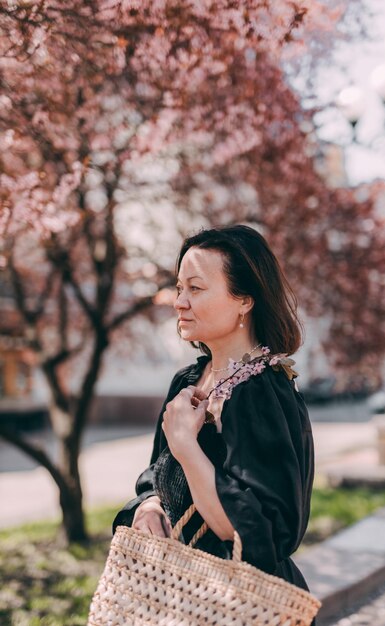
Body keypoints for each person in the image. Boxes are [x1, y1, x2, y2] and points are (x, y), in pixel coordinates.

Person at [113, 224, 316, 620]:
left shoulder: (262, 391)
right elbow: (156, 475)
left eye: (196, 288)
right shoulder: (188, 381)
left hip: (237, 604)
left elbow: (259, 534)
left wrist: (188, 448)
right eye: (178, 288)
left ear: (244, 300)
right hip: (177, 596)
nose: (179, 302)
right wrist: (149, 506)